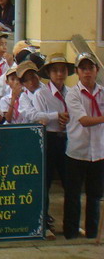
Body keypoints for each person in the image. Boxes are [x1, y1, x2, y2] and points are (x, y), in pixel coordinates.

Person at [30, 53, 74, 231]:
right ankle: (44, 221)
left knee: (70, 182)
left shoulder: (71, 93)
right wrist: (57, 116)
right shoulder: (41, 93)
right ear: (49, 72)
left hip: (67, 139)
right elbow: (37, 116)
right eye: (55, 71)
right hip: (49, 138)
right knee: (45, 181)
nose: (59, 74)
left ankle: (70, 223)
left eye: (62, 71)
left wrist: (68, 119)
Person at [63, 52, 104, 240]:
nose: (87, 73)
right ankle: (71, 233)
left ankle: (92, 233)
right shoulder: (72, 94)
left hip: (99, 151)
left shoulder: (102, 92)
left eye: (91, 68)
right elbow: (84, 120)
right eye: (83, 69)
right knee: (73, 195)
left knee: (95, 196)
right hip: (77, 151)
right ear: (77, 72)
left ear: (97, 70)